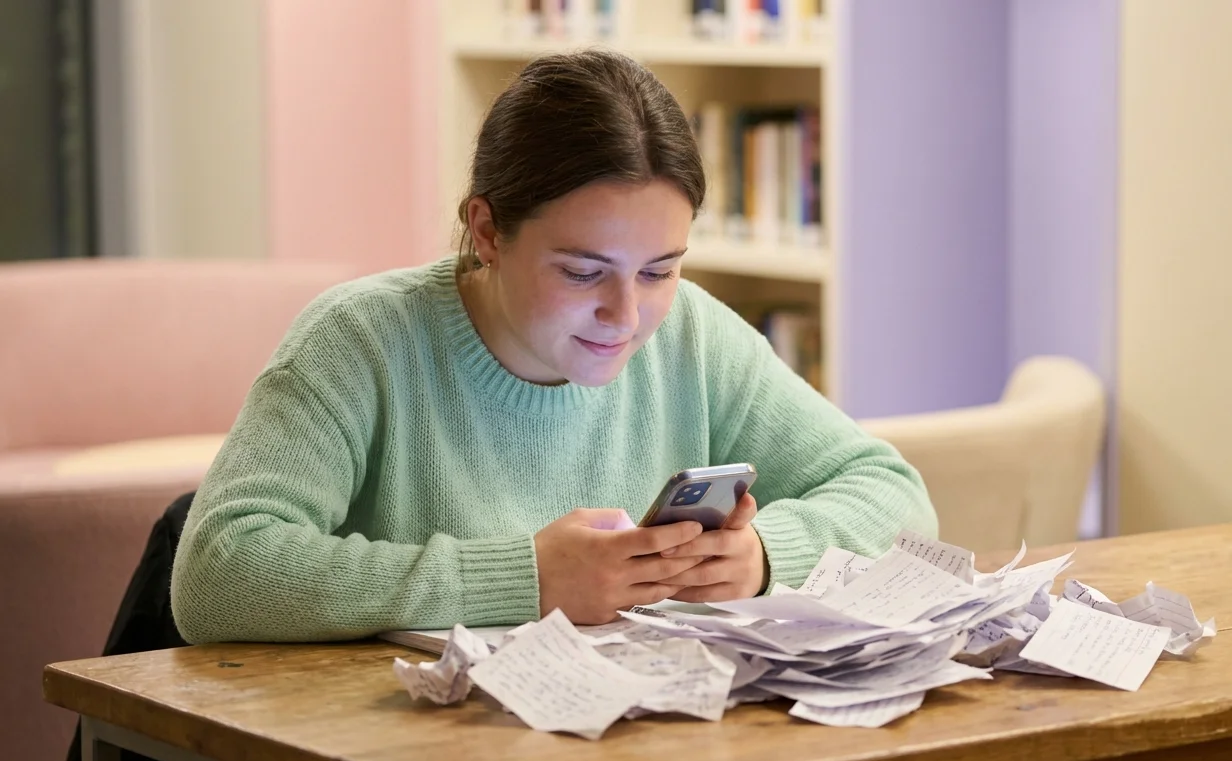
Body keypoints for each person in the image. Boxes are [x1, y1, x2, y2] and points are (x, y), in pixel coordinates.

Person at [169, 49, 936, 644]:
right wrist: (525, 580)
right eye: (582, 271)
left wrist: (765, 556)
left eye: (660, 270)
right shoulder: (362, 340)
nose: (626, 315)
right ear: (487, 231)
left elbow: (896, 496)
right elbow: (218, 575)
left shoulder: (691, 333)